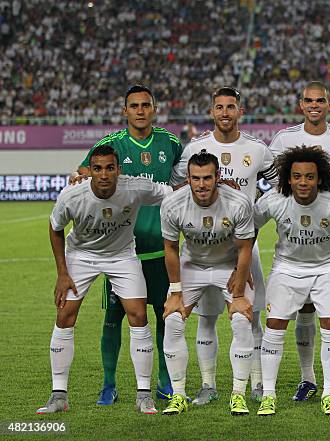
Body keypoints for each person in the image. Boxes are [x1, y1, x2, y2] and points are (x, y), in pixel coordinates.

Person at [37, 145, 173, 415]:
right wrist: (63, 273)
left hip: (122, 255)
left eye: (110, 168)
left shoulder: (135, 187)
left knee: (138, 316)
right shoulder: (72, 195)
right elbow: (55, 228)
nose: (103, 174)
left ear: (118, 170)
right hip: (80, 256)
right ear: (90, 170)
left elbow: (174, 192)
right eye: (97, 168)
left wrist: (215, 184)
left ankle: (144, 394)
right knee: (65, 316)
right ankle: (59, 395)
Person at [76, 85, 183, 405]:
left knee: (165, 318)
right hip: (120, 251)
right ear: (125, 111)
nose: (139, 110)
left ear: (154, 109)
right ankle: (108, 384)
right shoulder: (112, 145)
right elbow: (85, 169)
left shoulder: (171, 143)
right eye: (133, 105)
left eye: (145, 105)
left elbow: (184, 176)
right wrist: (80, 176)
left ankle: (164, 381)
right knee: (114, 319)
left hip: (161, 249)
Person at [174, 87, 277, 404]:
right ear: (212, 111)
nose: (225, 113)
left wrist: (258, 212)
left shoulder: (257, 150)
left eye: (231, 107)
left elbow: (280, 187)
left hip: (246, 246)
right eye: (219, 107)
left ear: (240, 111)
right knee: (206, 318)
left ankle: (257, 383)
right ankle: (208, 385)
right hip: (204, 247)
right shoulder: (197, 147)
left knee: (251, 316)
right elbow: (178, 184)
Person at [253, 146, 330, 416]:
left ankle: (329, 394)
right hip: (287, 268)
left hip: (327, 268)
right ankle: (269, 395)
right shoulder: (274, 200)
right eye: (297, 176)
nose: (302, 182)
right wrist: (241, 267)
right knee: (274, 326)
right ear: (288, 178)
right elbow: (248, 228)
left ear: (319, 178)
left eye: (309, 176)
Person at [269, 81, 330, 402]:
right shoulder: (285, 139)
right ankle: (308, 379)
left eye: (320, 100)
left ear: (329, 103)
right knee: (305, 308)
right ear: (300, 104)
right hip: (302, 236)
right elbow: (271, 180)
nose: (314, 105)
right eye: (309, 100)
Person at [160, 151, 256, 416]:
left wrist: (238, 291)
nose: (201, 185)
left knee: (240, 319)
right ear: (188, 179)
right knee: (172, 319)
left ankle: (238, 394)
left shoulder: (238, 202)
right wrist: (176, 292)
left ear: (218, 177)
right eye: (195, 179)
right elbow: (170, 248)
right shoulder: (172, 203)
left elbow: (245, 247)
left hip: (228, 264)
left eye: (207, 178)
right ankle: (178, 395)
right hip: (192, 266)